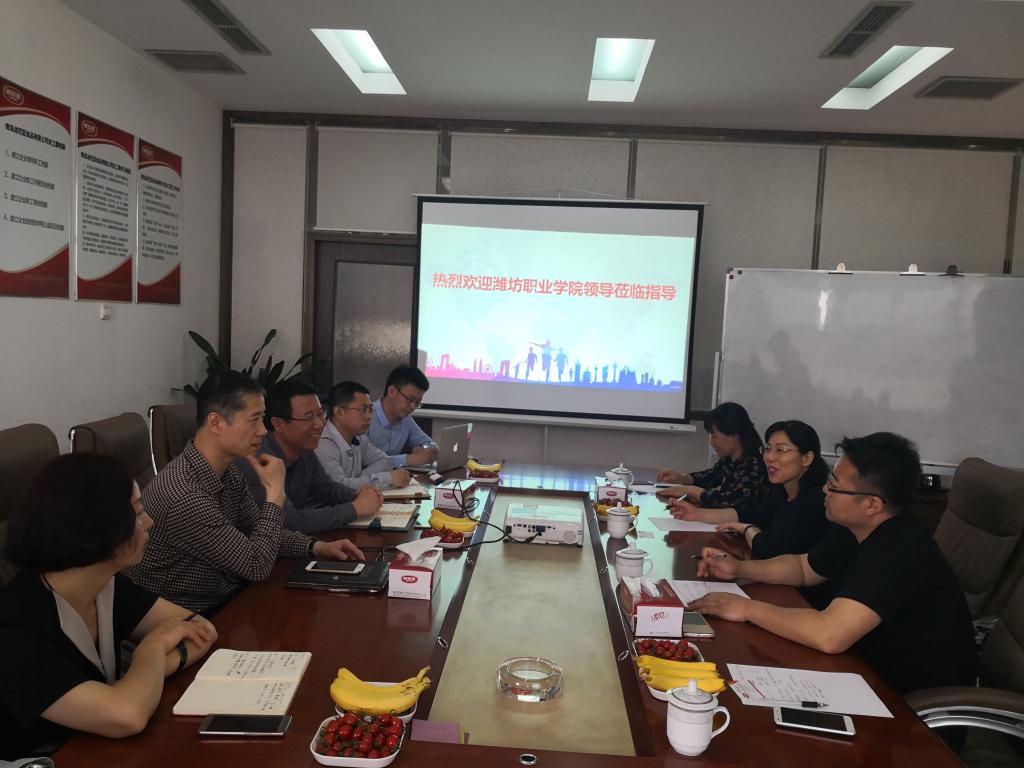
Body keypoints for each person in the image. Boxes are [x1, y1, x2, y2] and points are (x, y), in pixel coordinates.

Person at [689, 432, 977, 697]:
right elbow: (804, 568)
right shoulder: (855, 526)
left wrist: (746, 609)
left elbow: (829, 635)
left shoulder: (899, 548)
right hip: (862, 668)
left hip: (910, 702)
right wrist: (740, 568)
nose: (824, 489)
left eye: (835, 486)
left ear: (872, 504)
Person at [0, 454, 218, 759]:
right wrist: (152, 649)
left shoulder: (103, 585)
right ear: (94, 528)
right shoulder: (14, 628)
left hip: (100, 749)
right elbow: (127, 715)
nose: (149, 522)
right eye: (137, 513)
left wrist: (144, 678)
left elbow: (201, 629)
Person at [126, 372, 364, 613]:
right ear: (216, 423)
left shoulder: (228, 472)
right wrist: (275, 496)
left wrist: (316, 547)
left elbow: (259, 532)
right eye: (254, 420)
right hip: (191, 616)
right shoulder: (185, 494)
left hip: (230, 597)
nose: (263, 431)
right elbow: (256, 565)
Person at [239, 378, 383, 535]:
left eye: (321, 414)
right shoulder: (257, 461)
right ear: (278, 424)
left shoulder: (304, 449)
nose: (320, 424)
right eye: (309, 417)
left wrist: (357, 495)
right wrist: (355, 508)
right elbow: (289, 521)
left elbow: (327, 489)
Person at [670, 420, 829, 561]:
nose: (770, 457)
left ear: (806, 458)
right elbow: (750, 514)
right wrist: (697, 514)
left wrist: (747, 529)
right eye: (768, 449)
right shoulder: (782, 493)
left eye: (781, 450)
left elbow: (768, 548)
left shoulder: (816, 501)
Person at [657, 402, 770, 512]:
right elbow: (711, 476)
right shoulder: (729, 459)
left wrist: (690, 491)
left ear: (734, 435)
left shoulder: (755, 465)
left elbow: (729, 501)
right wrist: (681, 478)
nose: (711, 442)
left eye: (714, 436)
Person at [315, 380, 412, 492]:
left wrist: (357, 481)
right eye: (363, 410)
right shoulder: (323, 444)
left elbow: (385, 461)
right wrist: (388, 478)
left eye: (370, 410)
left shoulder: (358, 437)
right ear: (339, 412)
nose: (369, 416)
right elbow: (338, 487)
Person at [366, 365, 438, 468]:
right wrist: (408, 459)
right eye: (410, 399)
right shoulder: (365, 416)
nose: (413, 407)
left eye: (417, 403)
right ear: (392, 391)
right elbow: (365, 460)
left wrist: (424, 448)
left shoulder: (406, 419)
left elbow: (431, 444)